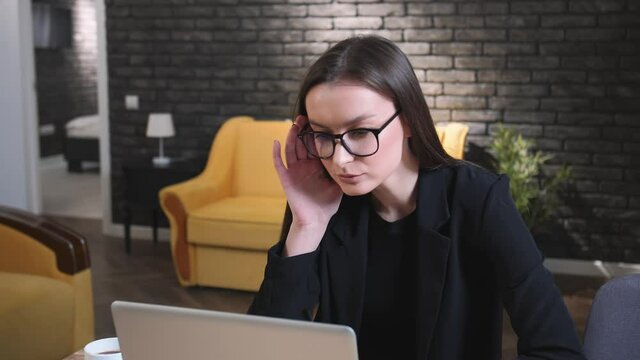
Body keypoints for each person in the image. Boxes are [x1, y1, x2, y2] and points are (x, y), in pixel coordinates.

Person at [248, 35, 586, 360]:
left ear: (409, 120)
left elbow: (557, 350)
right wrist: (307, 225)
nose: (339, 160)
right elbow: (263, 348)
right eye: (322, 135)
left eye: (361, 132)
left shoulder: (477, 198)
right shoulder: (323, 200)